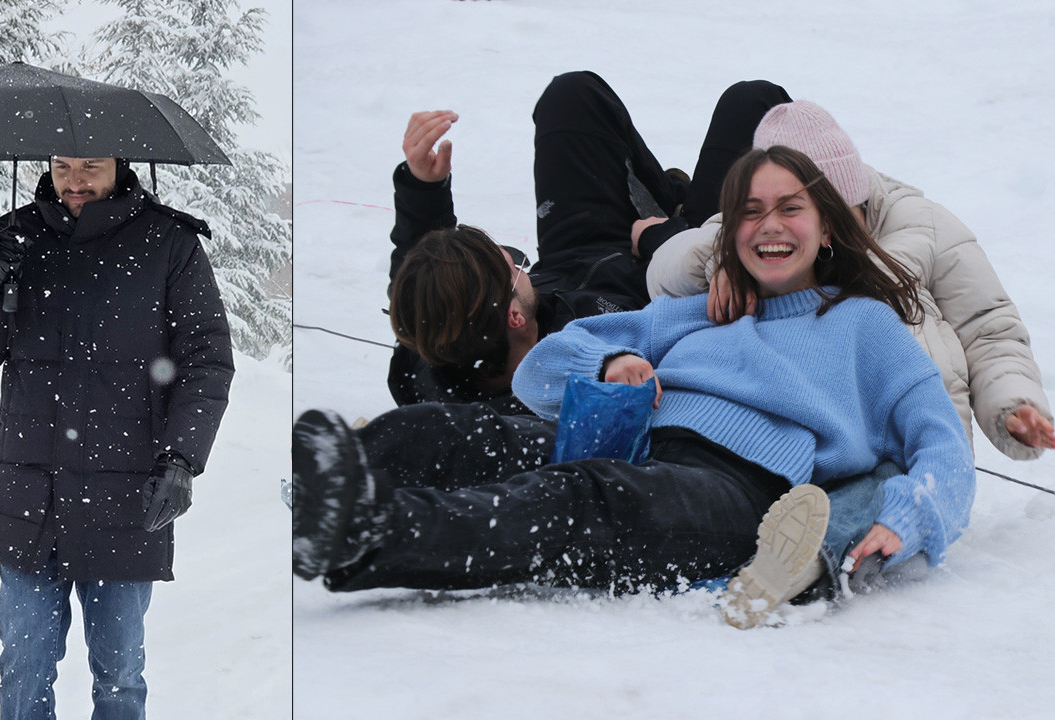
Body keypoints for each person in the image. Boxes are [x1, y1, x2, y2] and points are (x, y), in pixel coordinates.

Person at [292, 146, 975, 631]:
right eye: (751, 210)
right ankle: (326, 484)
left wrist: (909, 518)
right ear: (731, 230)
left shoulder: (866, 327)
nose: (770, 224)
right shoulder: (703, 308)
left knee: (580, 501)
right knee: (451, 428)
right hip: (633, 439)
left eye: (790, 208)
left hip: (741, 492)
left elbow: (942, 447)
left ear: (825, 226)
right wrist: (614, 359)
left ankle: (368, 532)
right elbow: (542, 368)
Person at [0, 155, 234, 719]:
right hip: (31, 501)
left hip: (125, 500)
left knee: (119, 675)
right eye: (62, 166)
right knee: (24, 669)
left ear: (120, 165)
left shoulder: (168, 244)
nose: (74, 181)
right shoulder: (15, 240)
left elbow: (206, 360)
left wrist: (181, 458)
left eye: (91, 166)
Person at [648, 100, 1055, 460]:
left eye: (840, 214)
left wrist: (1012, 404)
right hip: (794, 448)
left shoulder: (924, 226)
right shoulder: (754, 227)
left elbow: (987, 328)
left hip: (921, 453)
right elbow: (662, 273)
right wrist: (723, 263)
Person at [386, 72, 792, 412]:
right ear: (514, 317)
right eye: (512, 266)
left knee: (572, 95)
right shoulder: (597, 363)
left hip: (575, 253)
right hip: (672, 273)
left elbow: (421, 286)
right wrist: (660, 239)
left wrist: (424, 186)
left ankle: (668, 195)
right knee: (752, 103)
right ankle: (683, 207)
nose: (516, 260)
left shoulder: (429, 352)